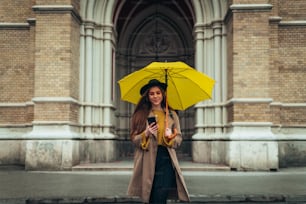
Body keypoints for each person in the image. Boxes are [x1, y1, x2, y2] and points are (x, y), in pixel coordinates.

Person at [127, 79, 190, 204]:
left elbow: (179, 139)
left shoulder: (172, 115)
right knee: (150, 195)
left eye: (158, 93)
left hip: (166, 158)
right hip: (148, 159)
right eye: (152, 94)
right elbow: (134, 139)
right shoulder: (141, 114)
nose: (155, 96)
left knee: (161, 195)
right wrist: (146, 133)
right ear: (148, 96)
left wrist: (170, 136)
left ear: (162, 94)